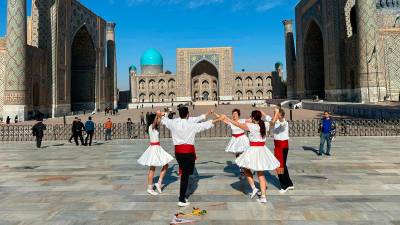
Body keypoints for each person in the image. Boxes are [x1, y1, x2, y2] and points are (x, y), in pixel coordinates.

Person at [158, 107, 222, 207]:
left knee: (185, 173)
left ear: (180, 115)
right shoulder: (191, 125)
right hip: (188, 152)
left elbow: (163, 120)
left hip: (178, 152)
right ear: (187, 115)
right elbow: (205, 125)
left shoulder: (173, 123)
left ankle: (183, 195)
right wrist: (219, 119)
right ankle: (181, 199)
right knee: (185, 175)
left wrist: (160, 114)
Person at [222, 110, 280, 204]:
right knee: (261, 174)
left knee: (245, 167)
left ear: (253, 118)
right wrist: (276, 113)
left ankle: (254, 187)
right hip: (262, 150)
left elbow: (237, 124)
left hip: (253, 150)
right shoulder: (264, 124)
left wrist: (228, 119)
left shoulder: (251, 126)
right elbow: (273, 122)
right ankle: (263, 197)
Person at [137, 113, 174, 196]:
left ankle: (159, 183)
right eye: (156, 119)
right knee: (152, 169)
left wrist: (161, 115)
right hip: (154, 148)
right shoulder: (151, 127)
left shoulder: (154, 127)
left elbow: (159, 120)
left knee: (166, 165)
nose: (158, 121)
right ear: (153, 120)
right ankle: (149, 188)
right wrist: (157, 114)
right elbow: (155, 122)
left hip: (157, 147)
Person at [271, 108, 294, 194]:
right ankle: (290, 184)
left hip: (282, 147)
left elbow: (281, 124)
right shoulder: (276, 122)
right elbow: (269, 119)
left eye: (276, 114)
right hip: (278, 146)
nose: (274, 115)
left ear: (280, 115)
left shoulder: (284, 123)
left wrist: (277, 113)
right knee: (283, 165)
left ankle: (284, 186)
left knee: (280, 166)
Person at [222, 109, 250, 179]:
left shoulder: (242, 120)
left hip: (242, 138)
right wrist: (214, 113)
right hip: (235, 139)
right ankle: (242, 170)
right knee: (237, 155)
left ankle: (245, 169)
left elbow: (251, 120)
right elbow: (222, 119)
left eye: (235, 114)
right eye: (233, 114)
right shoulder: (231, 122)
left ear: (238, 115)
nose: (234, 115)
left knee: (243, 154)